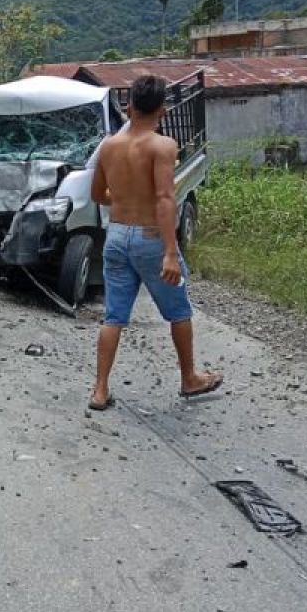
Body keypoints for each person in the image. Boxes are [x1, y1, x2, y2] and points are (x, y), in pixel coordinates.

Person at [88, 75, 222, 411]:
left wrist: (123, 200)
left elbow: (96, 194)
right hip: (149, 237)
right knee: (178, 311)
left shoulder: (108, 146)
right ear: (162, 110)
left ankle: (100, 389)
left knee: (114, 316)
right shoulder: (163, 146)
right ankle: (189, 378)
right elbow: (165, 198)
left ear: (130, 107)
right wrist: (169, 252)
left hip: (117, 235)